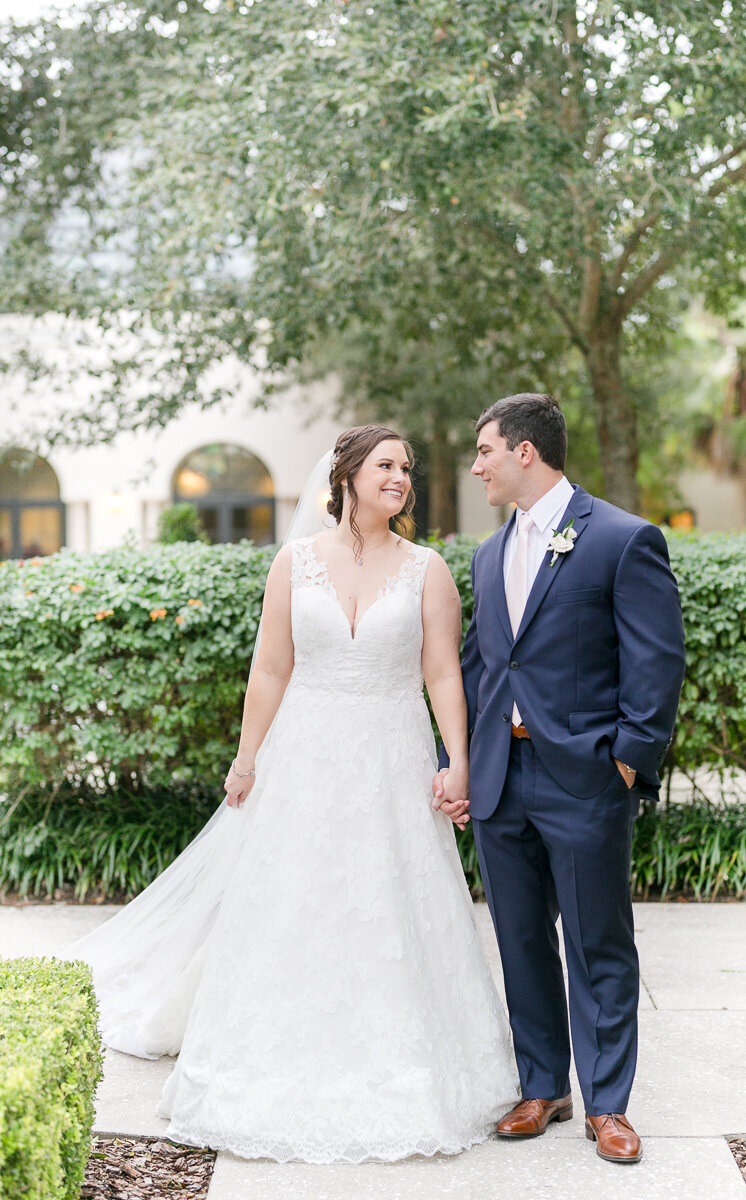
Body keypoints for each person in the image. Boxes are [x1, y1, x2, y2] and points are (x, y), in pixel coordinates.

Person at [63, 424, 518, 1164]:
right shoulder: (295, 562)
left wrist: (456, 762)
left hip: (392, 762)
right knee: (293, 900)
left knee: (388, 902)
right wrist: (246, 760)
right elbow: (271, 669)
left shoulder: (428, 569)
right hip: (303, 759)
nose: (401, 477)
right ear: (345, 476)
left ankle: (405, 1067)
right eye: (386, 465)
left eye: (406, 467)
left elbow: (443, 674)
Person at [434, 394, 685, 1165]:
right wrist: (468, 765)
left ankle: (609, 1105)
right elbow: (484, 665)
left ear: (525, 454)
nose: (476, 466)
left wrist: (626, 758)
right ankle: (543, 1084)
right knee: (520, 940)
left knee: (598, 942)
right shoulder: (488, 553)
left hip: (585, 777)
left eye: (484, 451)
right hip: (505, 779)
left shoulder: (621, 538)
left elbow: (657, 659)